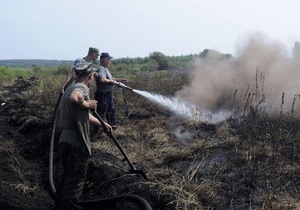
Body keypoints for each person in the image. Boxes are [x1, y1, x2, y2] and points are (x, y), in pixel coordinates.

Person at [55, 61, 112, 210]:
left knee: (67, 178)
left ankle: (59, 206)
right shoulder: (81, 88)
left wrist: (102, 124)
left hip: (66, 140)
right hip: (77, 142)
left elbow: (82, 115)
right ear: (90, 76)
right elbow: (76, 99)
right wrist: (88, 104)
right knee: (75, 181)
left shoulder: (68, 88)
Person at [94, 52, 127, 130]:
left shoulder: (105, 69)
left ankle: (112, 128)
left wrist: (120, 79)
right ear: (104, 60)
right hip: (102, 95)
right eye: (108, 59)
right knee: (101, 113)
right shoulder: (101, 68)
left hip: (108, 95)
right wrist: (113, 82)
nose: (109, 61)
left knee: (111, 111)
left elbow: (110, 78)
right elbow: (102, 80)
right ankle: (96, 130)